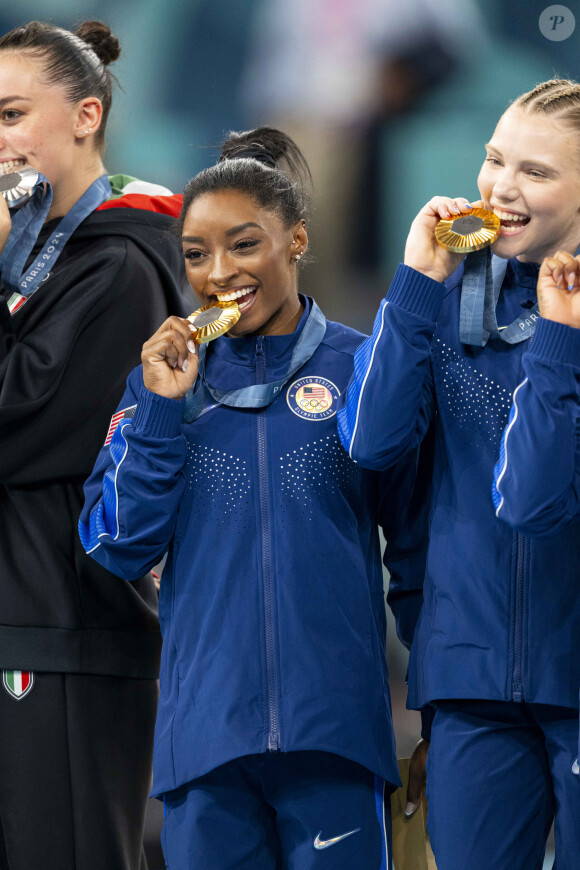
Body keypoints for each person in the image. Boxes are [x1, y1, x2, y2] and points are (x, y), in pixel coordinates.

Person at [79, 126, 430, 870]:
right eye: (197, 254)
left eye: (244, 245)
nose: (219, 273)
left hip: (335, 737)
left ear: (296, 239)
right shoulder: (162, 383)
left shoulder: (362, 369)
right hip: (205, 745)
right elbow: (116, 545)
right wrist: (162, 414)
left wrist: (435, 708)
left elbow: (419, 553)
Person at [337, 79, 580, 870]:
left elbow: (537, 499)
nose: (501, 188)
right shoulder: (445, 298)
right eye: (494, 159)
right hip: (470, 680)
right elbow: (371, 444)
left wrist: (557, 340)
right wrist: (415, 284)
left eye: (536, 173)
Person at [0, 19, 192, 870]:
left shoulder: (119, 262)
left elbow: (18, 428)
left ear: (85, 115)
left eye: (9, 115)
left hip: (62, 631)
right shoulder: (26, 258)